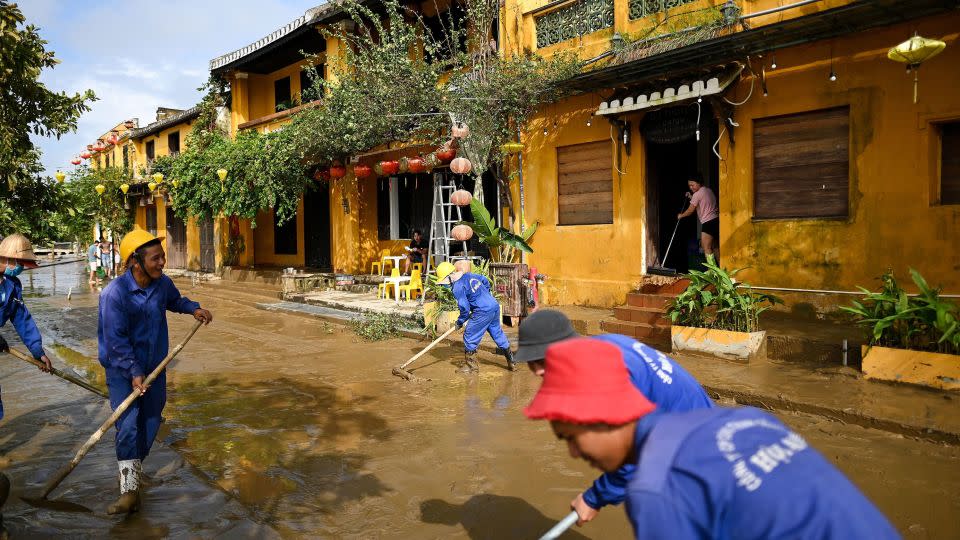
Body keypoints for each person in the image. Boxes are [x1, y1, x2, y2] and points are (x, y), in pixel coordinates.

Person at [525, 338, 899, 539]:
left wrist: (595, 496)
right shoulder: (747, 420)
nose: (573, 453)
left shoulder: (655, 489)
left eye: (570, 437)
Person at [513, 309, 713, 525]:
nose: (537, 372)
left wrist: (594, 498)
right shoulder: (604, 344)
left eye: (543, 361)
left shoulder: (603, 377)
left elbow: (637, 453)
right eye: (532, 363)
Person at [98, 229, 213, 514]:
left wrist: (193, 309)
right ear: (135, 262)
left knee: (150, 423)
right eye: (155, 258)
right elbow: (115, 340)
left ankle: (134, 469)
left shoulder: (161, 284)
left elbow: (175, 301)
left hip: (155, 368)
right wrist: (133, 370)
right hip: (122, 371)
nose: (162, 262)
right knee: (127, 427)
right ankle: (129, 491)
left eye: (162, 257)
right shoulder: (114, 294)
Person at [0, 233, 54, 407]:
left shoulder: (12, 285)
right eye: (20, 262)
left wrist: (38, 351)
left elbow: (22, 319)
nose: (21, 267)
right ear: (7, 258)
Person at [435, 261, 513, 373]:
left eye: (444, 282)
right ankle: (512, 362)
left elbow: (464, 308)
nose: (444, 284)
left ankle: (471, 366)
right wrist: (486, 294)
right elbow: (484, 280)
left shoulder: (457, 287)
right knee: (497, 333)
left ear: (449, 277)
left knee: (469, 335)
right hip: (493, 305)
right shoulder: (469, 275)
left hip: (482, 311)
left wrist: (460, 322)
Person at [677, 173, 719, 265]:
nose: (691, 187)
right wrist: (690, 197)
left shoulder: (697, 194)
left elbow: (690, 210)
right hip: (716, 220)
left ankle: (713, 272)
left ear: (699, 183)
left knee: (706, 247)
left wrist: (681, 215)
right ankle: (722, 268)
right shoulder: (708, 191)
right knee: (714, 246)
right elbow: (701, 202)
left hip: (708, 222)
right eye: (689, 186)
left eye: (692, 185)